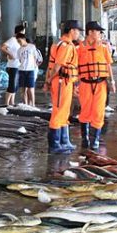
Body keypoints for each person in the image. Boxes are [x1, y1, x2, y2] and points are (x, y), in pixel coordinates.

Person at [45, 20, 82, 154]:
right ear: (71, 30)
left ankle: (64, 141)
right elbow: (57, 66)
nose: (78, 33)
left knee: (65, 112)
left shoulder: (60, 44)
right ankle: (54, 144)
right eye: (78, 31)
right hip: (61, 81)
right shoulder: (66, 46)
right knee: (59, 112)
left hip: (65, 82)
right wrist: (49, 80)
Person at [77, 21, 115, 149]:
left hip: (101, 84)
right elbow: (75, 67)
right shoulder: (79, 48)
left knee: (98, 112)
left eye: (99, 32)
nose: (99, 34)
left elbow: (108, 65)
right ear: (90, 32)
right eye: (97, 31)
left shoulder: (104, 48)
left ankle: (95, 140)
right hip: (85, 84)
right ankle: (85, 138)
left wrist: (112, 81)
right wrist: (74, 84)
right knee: (85, 111)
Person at [1, 24, 25, 106]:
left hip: (17, 66)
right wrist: (10, 54)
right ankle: (7, 103)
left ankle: (12, 102)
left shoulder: (19, 40)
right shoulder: (13, 39)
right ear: (20, 31)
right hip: (12, 66)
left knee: (15, 86)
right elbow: (3, 47)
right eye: (23, 31)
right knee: (12, 86)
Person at [16, 33, 43, 107]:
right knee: (23, 90)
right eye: (17, 41)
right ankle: (25, 105)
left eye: (19, 41)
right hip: (22, 70)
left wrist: (34, 66)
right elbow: (20, 60)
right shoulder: (19, 50)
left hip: (30, 70)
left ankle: (33, 105)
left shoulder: (32, 47)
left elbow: (36, 57)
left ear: (24, 39)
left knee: (31, 89)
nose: (19, 43)